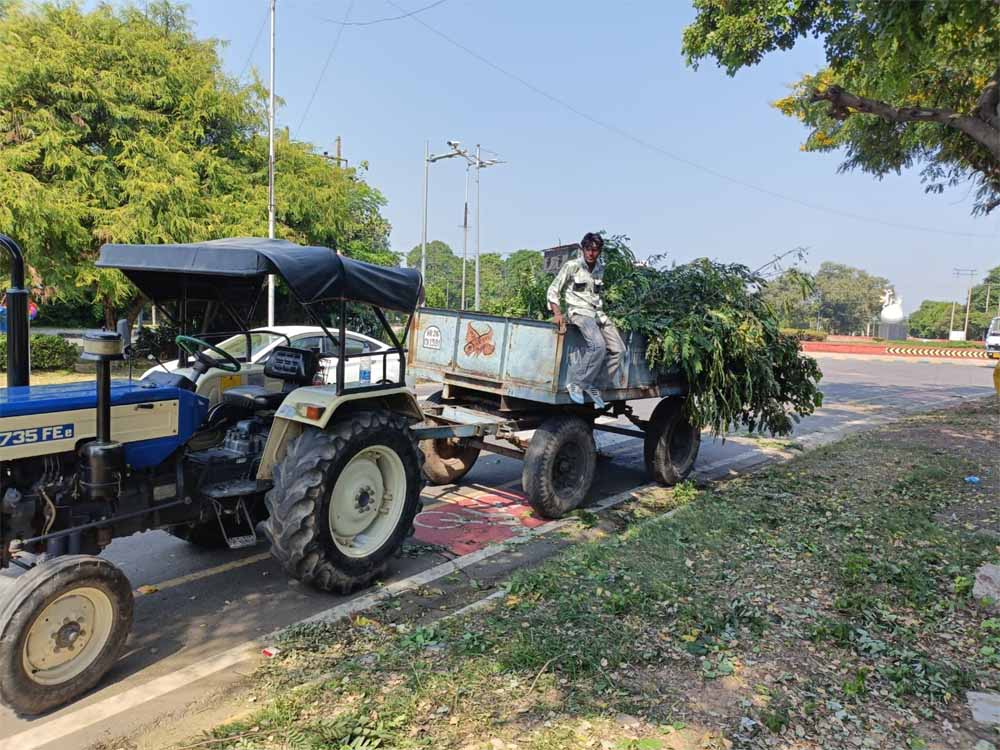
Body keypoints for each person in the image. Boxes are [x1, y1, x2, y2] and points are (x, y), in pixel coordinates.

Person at [546, 232, 625, 408]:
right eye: (588, 249)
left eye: (595, 250)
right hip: (579, 312)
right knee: (598, 345)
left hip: (597, 313)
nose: (591, 253)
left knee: (619, 350)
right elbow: (553, 290)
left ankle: (594, 385)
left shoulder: (600, 269)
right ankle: (577, 382)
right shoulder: (572, 266)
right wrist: (558, 313)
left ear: (599, 252)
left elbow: (595, 295)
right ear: (583, 249)